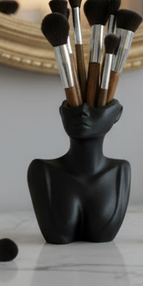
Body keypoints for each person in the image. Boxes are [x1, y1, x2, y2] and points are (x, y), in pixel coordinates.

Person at [28, 100, 131, 244]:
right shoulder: (42, 172)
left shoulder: (121, 172)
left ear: (117, 114)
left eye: (95, 106)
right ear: (61, 112)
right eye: (73, 106)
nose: (83, 110)